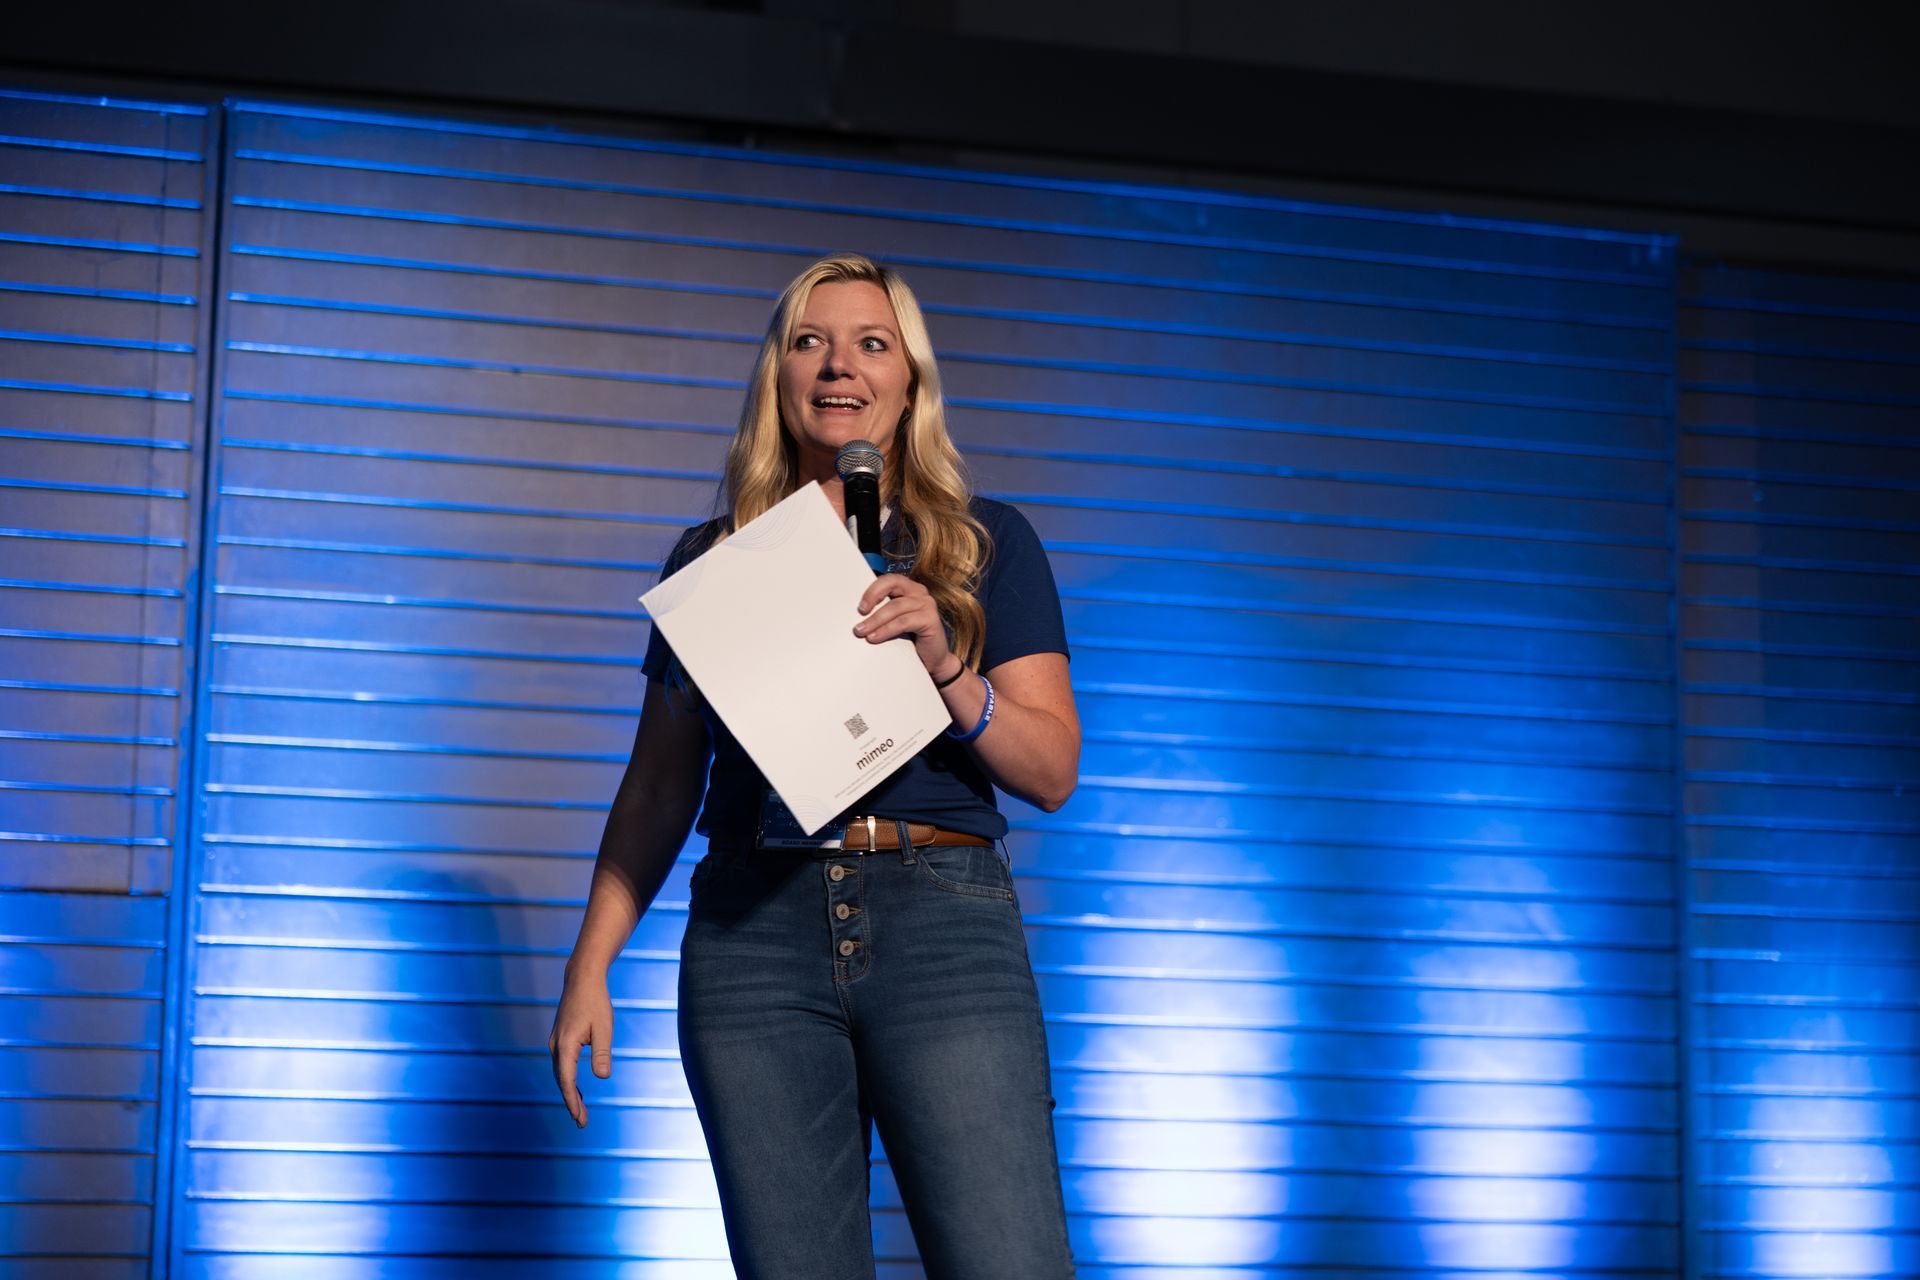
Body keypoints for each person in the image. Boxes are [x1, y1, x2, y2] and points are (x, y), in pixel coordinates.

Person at [549, 253, 1081, 1278]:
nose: (839, 365)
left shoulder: (983, 542)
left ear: (909, 381)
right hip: (754, 940)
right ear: (779, 377)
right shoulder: (713, 561)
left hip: (942, 926)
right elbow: (659, 784)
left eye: (871, 343)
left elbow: (1052, 766)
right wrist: (590, 959)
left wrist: (944, 667)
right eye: (810, 342)